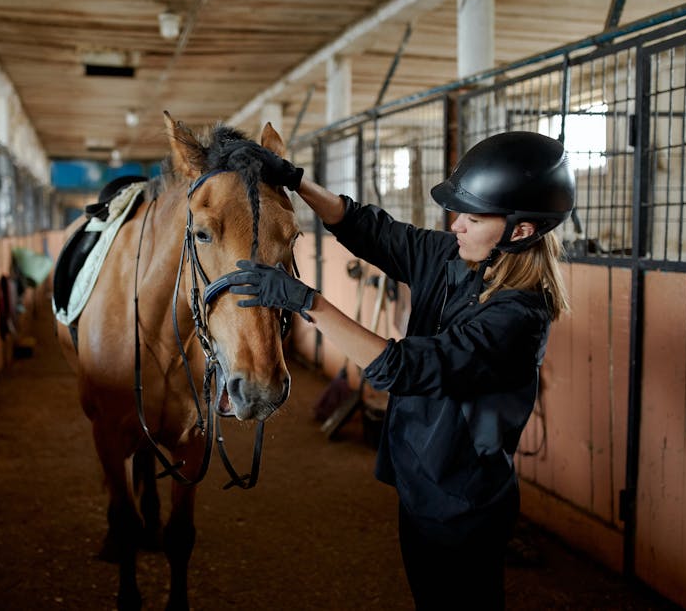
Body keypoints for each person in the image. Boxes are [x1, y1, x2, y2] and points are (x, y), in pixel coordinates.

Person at [225, 131, 575, 610]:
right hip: (419, 478)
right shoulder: (452, 258)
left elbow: (404, 368)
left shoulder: (518, 318)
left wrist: (308, 303)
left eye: (472, 218)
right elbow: (370, 228)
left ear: (520, 232)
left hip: (461, 501)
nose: (456, 226)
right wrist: (297, 182)